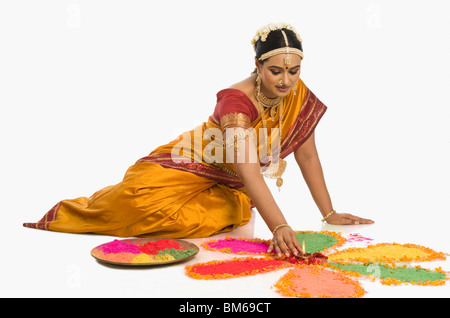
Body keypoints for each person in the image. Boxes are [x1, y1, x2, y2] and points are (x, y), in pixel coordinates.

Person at [23, 23, 373, 257]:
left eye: (293, 72)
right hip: (186, 162)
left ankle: (236, 204)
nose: (285, 81)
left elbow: (308, 157)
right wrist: (279, 225)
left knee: (217, 213)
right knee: (137, 200)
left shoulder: (297, 95)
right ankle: (74, 212)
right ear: (257, 65)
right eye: (276, 71)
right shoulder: (236, 101)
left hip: (233, 181)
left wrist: (329, 212)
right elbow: (250, 169)